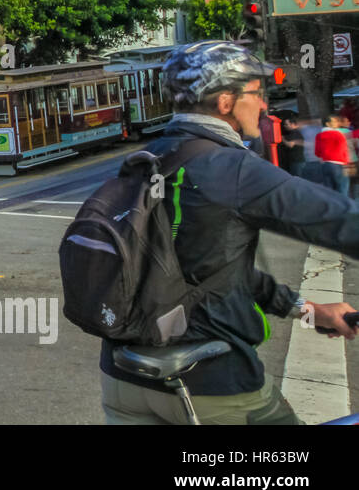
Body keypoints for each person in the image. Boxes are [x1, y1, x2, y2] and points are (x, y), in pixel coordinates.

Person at [100, 41, 359, 425]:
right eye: (256, 93)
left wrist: (309, 312)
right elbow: (340, 220)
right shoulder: (233, 169)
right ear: (225, 102)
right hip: (210, 383)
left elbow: (211, 268)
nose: (264, 104)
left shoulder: (146, 159)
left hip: (124, 380)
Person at [314, 112, 352, 197]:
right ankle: (344, 208)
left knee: (329, 191)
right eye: (334, 121)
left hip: (325, 165)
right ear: (328, 123)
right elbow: (344, 150)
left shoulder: (319, 136)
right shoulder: (338, 134)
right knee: (342, 190)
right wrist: (347, 164)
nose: (337, 123)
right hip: (339, 165)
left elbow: (317, 153)